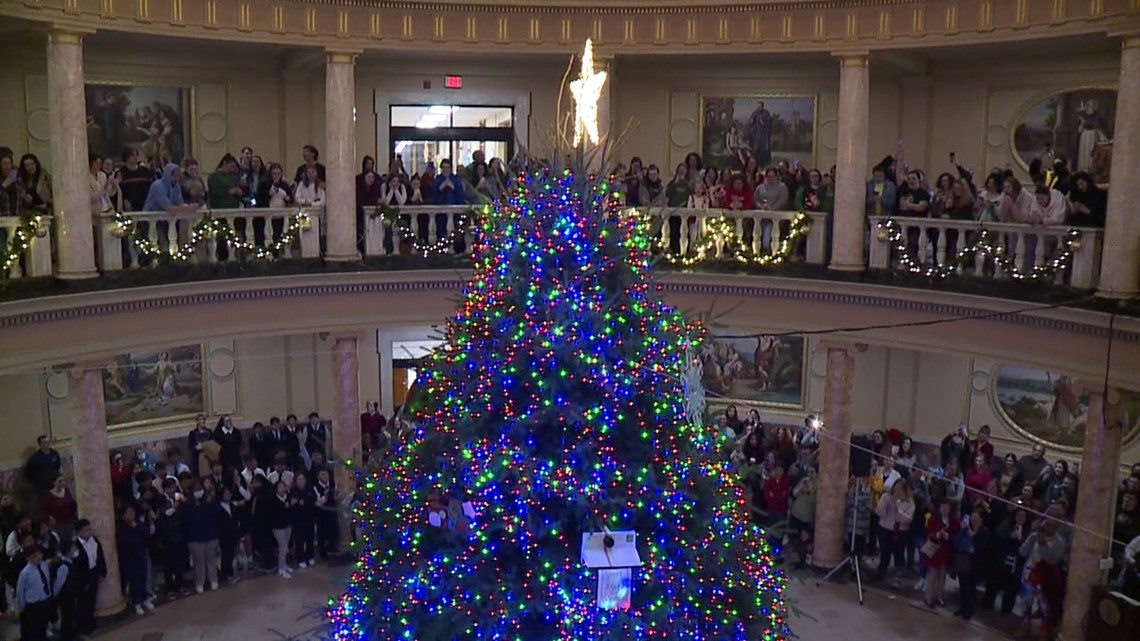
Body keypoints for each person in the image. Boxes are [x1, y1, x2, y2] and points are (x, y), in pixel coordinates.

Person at [71, 519, 106, 637]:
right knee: (83, 603)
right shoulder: (75, 546)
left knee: (91, 600)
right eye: (86, 530)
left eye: (90, 529)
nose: (89, 532)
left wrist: (102, 572)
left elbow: (100, 555)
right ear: (78, 532)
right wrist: (83, 581)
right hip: (83, 577)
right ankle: (82, 627)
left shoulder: (94, 540)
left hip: (93, 573)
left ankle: (91, 623)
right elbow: (75, 566)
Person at [16, 545, 54, 641]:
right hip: (33, 604)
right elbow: (20, 591)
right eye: (35, 556)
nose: (39, 557)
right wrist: (22, 607)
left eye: (40, 554)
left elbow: (47, 581)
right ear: (29, 558)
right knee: (33, 629)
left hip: (44, 600)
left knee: (43, 626)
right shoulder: (25, 572)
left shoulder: (44, 565)